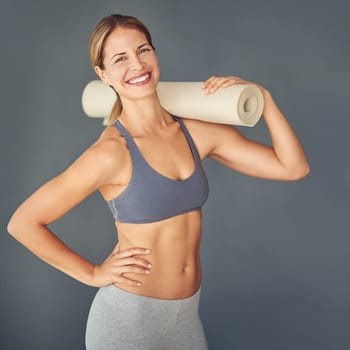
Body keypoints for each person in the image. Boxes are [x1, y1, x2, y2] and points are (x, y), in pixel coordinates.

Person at [7, 14, 309, 350]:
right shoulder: (110, 153)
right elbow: (23, 223)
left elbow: (292, 167)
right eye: (120, 58)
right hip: (126, 324)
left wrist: (264, 99)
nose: (137, 65)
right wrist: (92, 273)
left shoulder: (197, 133)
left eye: (143, 50)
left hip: (186, 321)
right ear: (102, 74)